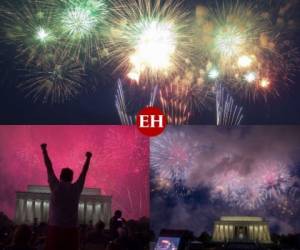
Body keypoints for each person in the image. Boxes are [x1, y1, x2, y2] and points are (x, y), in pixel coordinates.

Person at [40, 144, 92, 250]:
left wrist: (44, 150)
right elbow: (84, 172)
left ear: (60, 176)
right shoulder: (76, 188)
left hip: (55, 228)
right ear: (72, 178)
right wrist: (88, 158)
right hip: (72, 230)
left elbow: (48, 166)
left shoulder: (55, 186)